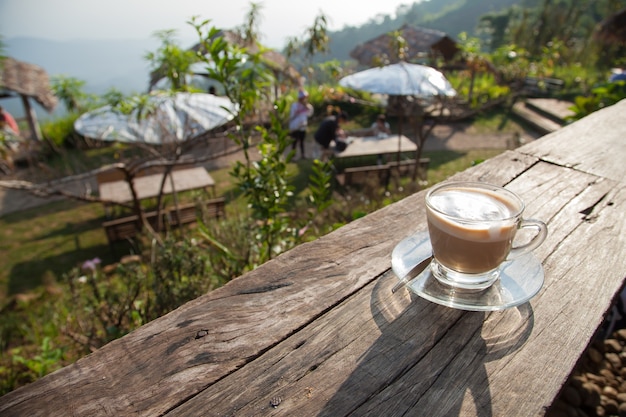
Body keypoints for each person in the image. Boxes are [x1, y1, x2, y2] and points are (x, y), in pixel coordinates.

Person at [288, 89, 314, 160]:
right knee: (294, 142)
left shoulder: (307, 106)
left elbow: (310, 113)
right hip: (295, 127)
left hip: (303, 127)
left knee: (302, 141)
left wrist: (306, 106)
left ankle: (303, 154)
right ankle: (293, 156)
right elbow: (292, 116)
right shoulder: (294, 106)